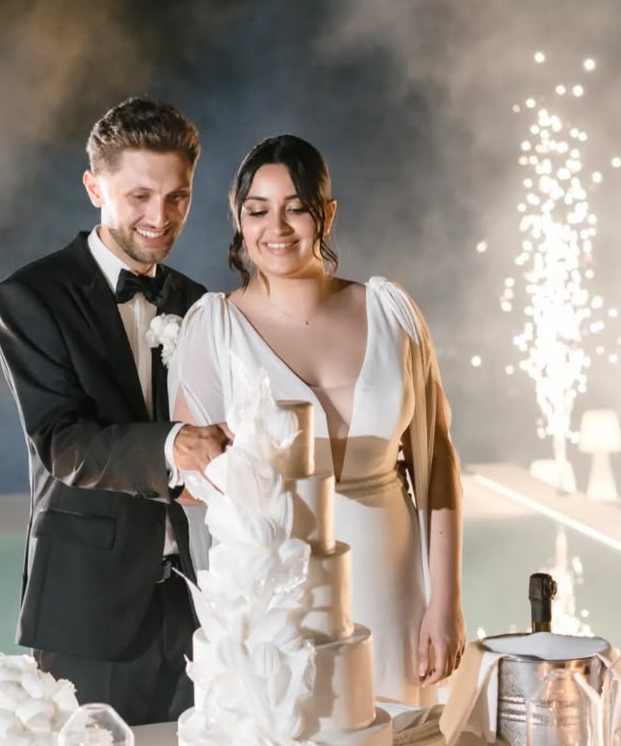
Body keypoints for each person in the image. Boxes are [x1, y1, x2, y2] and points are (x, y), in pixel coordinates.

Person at [167, 134, 465, 705]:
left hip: (394, 585)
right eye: (258, 211)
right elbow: (191, 483)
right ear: (239, 220)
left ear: (326, 214)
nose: (276, 228)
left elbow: (440, 464)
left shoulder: (390, 312)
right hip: (284, 594)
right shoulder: (215, 328)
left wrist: (445, 602)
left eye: (296, 208)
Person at [0, 96, 229, 723]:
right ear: (94, 187)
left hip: (199, 602)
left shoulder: (198, 301)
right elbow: (63, 442)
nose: (160, 217)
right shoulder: (31, 296)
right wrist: (174, 447)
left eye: (177, 197)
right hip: (88, 607)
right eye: (139, 196)